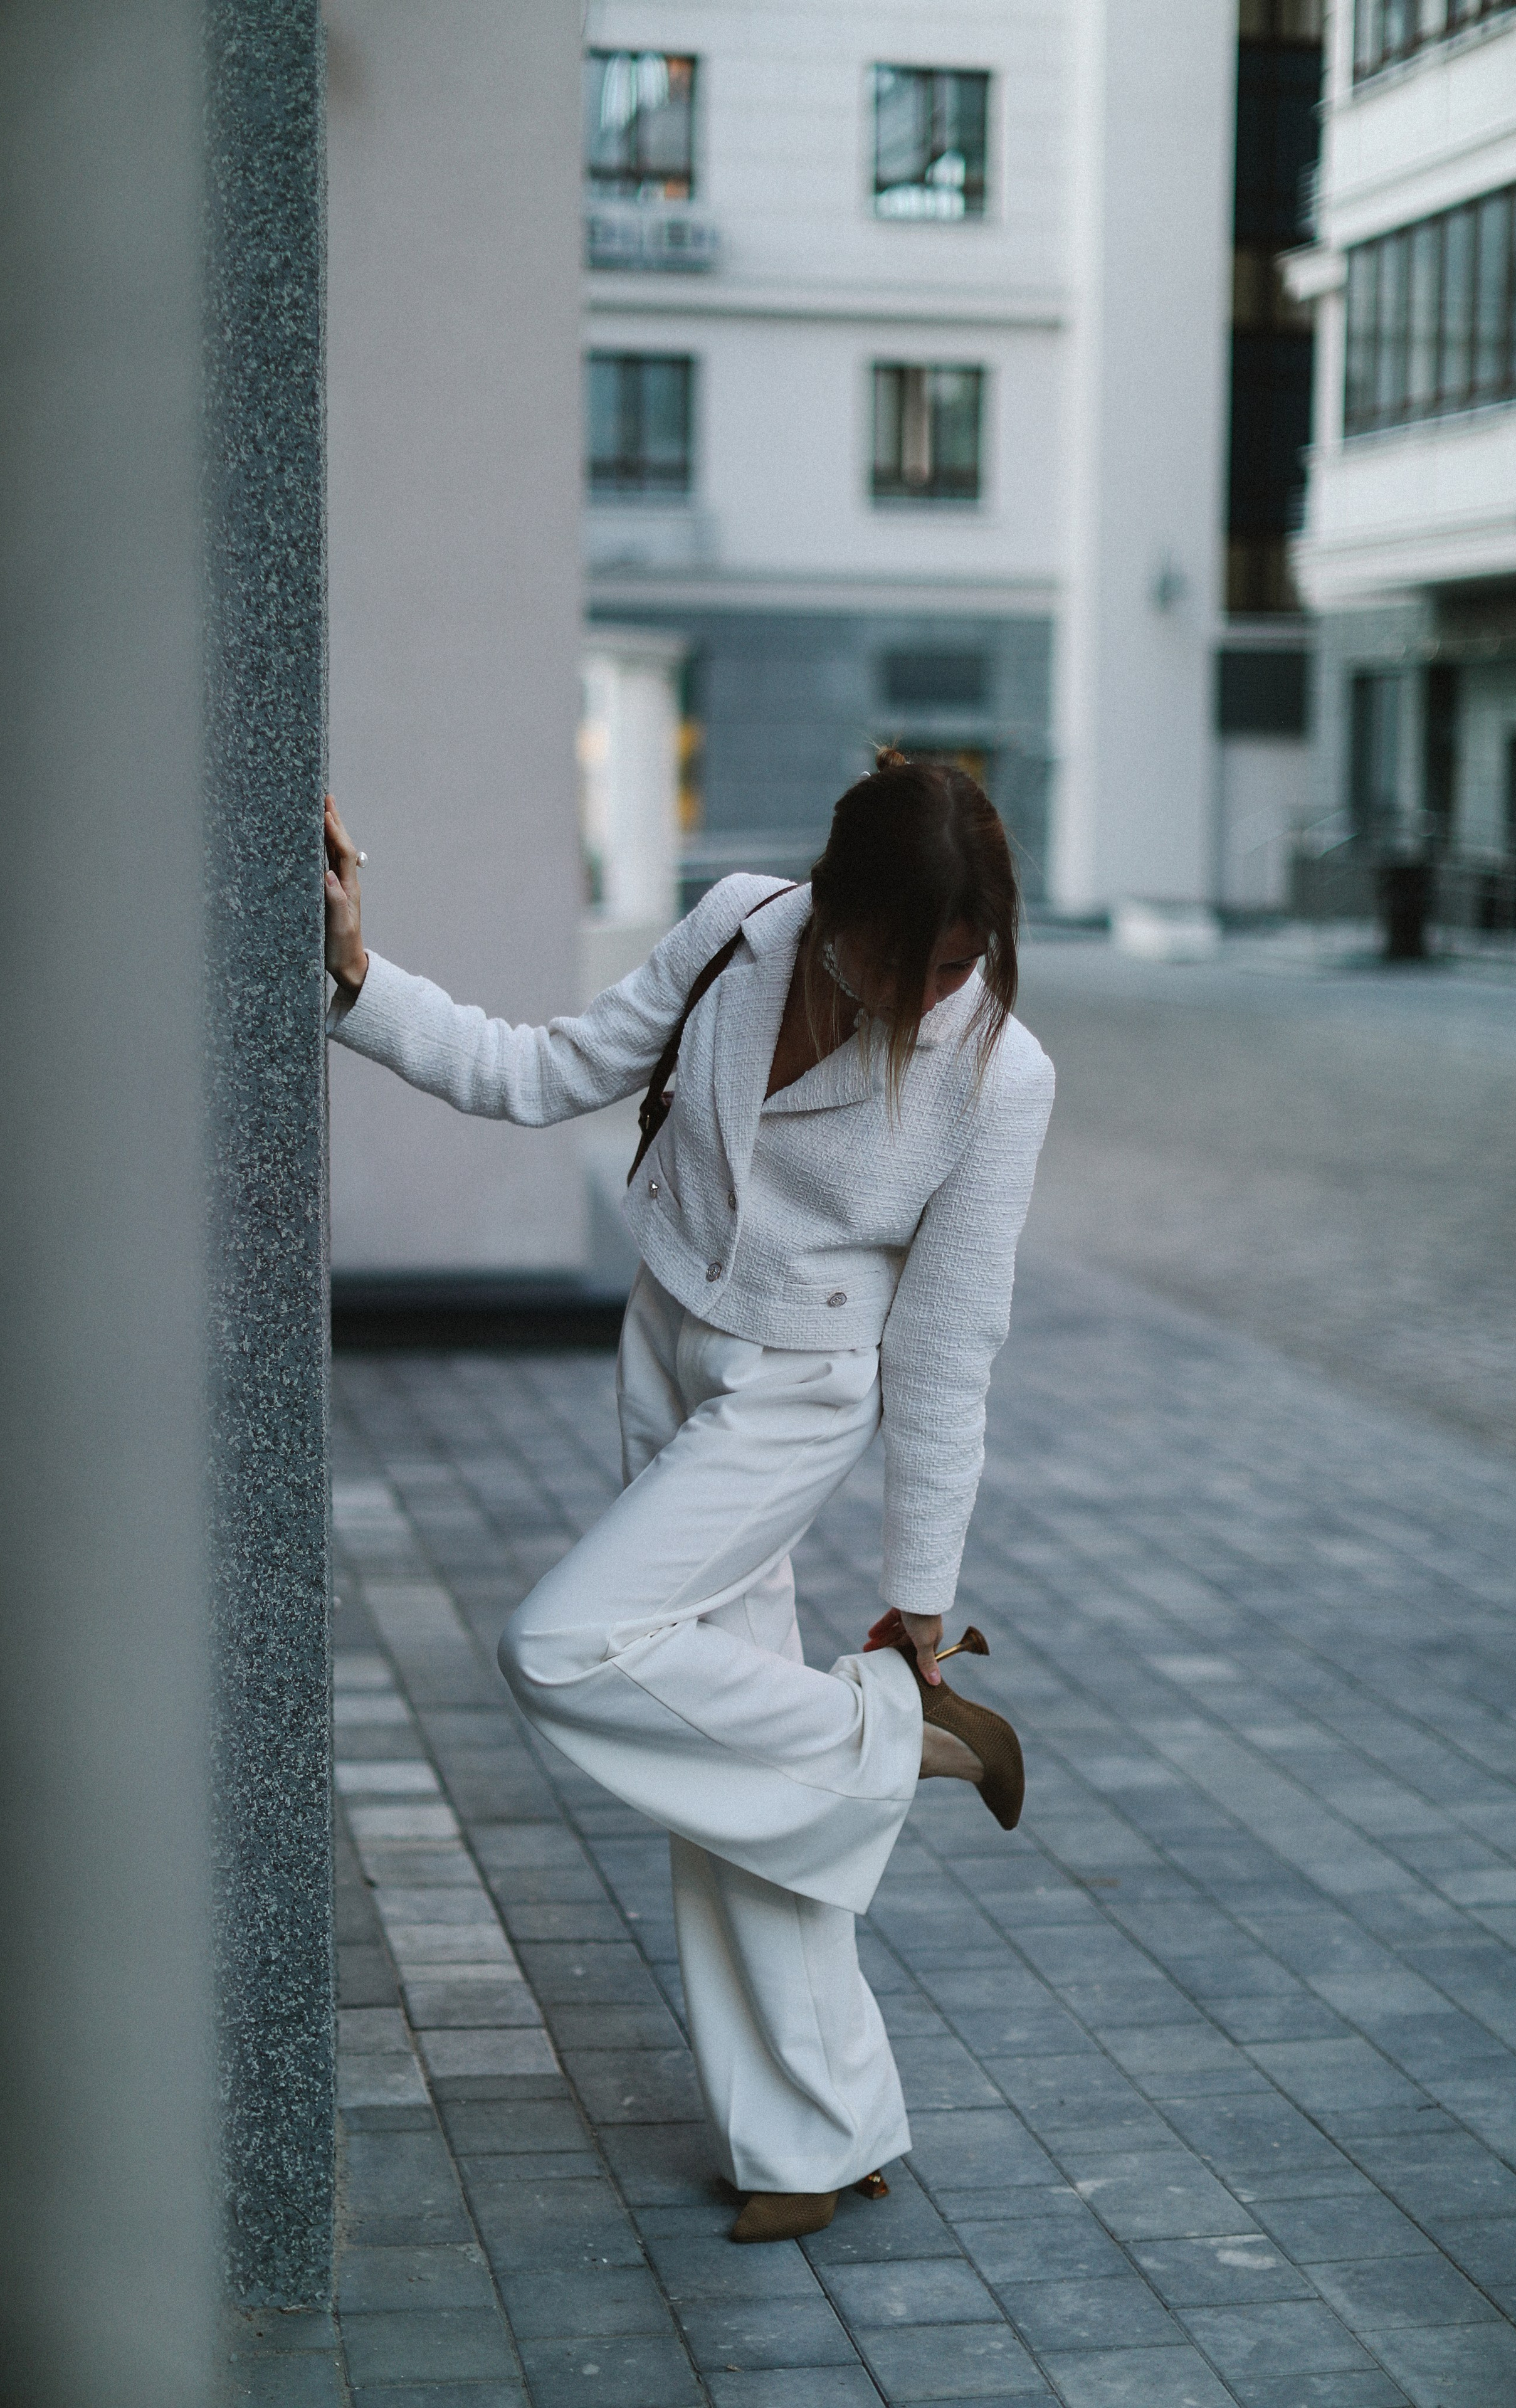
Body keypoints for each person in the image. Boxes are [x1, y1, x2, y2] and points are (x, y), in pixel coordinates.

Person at [323, 752, 1054, 2242]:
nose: (935, 996)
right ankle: (815, 2134)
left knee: (563, 1646)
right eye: (908, 963)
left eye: (962, 963)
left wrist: (918, 1601)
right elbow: (538, 1073)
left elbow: (946, 1347)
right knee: (722, 1758)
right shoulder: (739, 929)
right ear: (833, 911)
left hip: (795, 1392)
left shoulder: (999, 1073)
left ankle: (889, 1733)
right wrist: (355, 979)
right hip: (663, 1342)